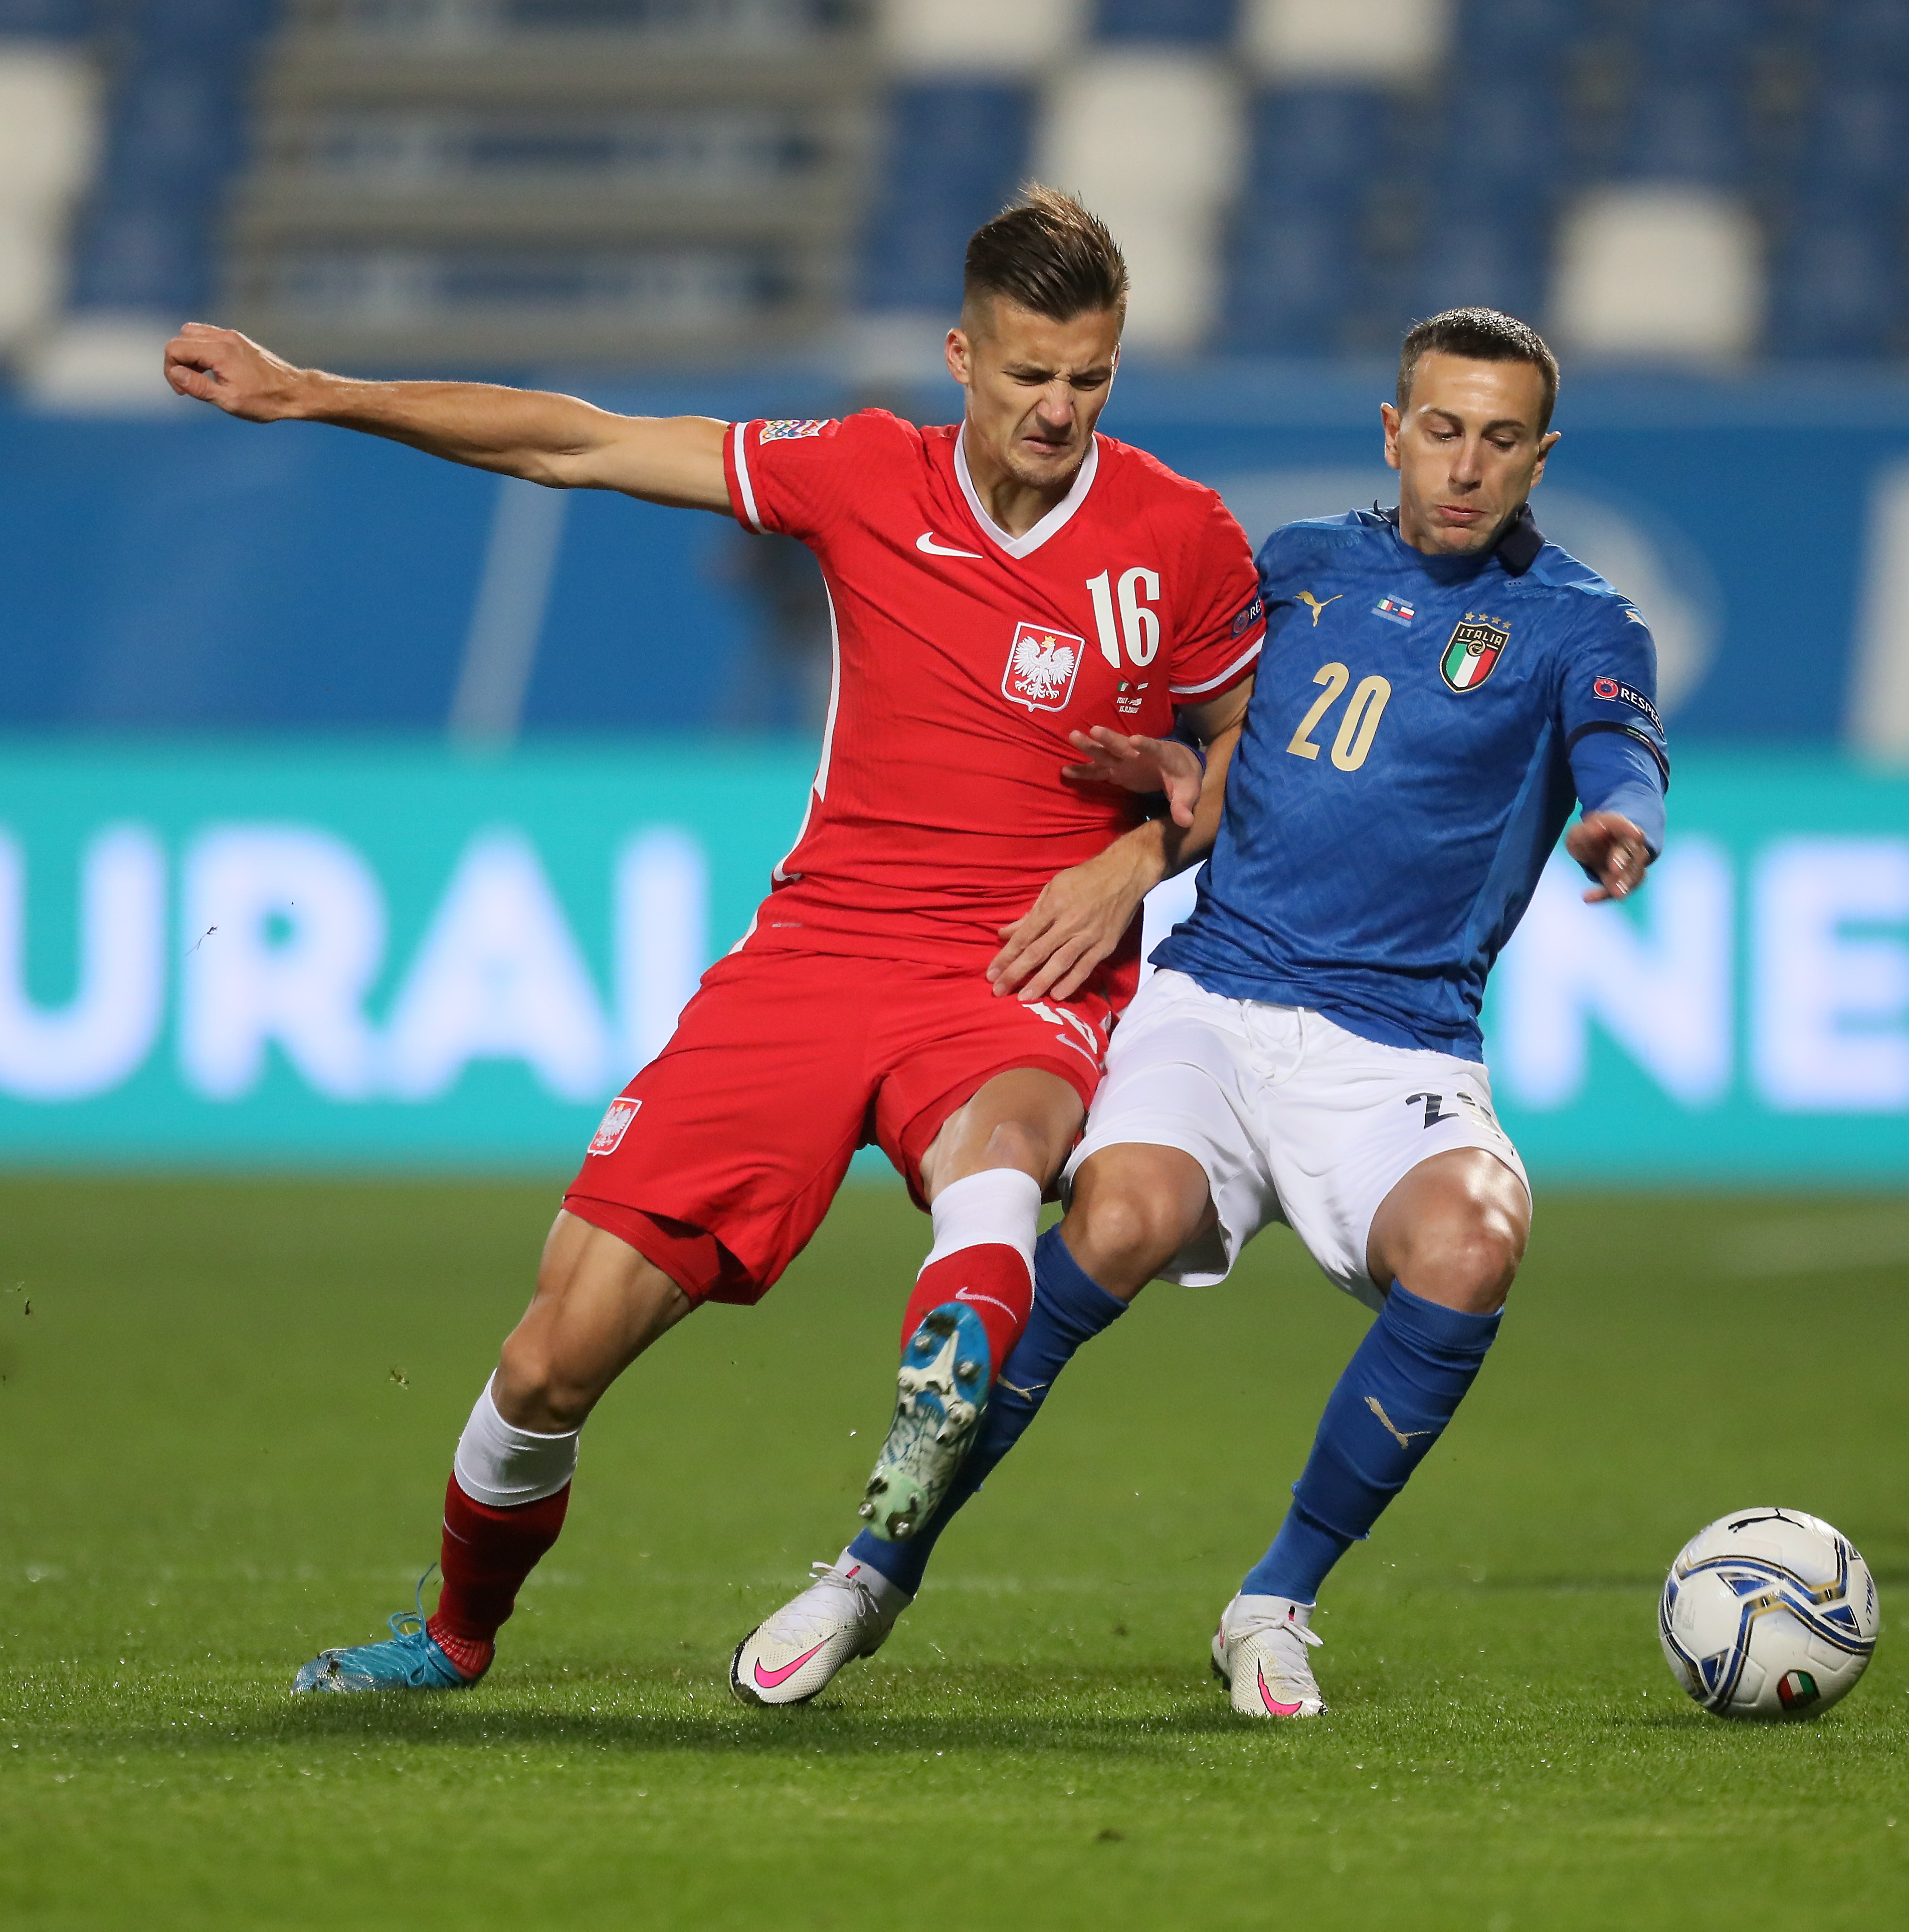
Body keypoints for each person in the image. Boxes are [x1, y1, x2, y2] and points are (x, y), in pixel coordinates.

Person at [162, 186, 1267, 1693]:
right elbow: (579, 441)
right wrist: (315, 392)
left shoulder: (1184, 539)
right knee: (553, 1357)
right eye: (1028, 375)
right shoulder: (861, 472)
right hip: (815, 956)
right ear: (962, 355)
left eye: (1088, 379)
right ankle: (454, 1635)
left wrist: (1142, 853)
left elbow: (1247, 753)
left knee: (1002, 1152)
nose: (1057, 410)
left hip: (1020, 964)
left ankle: (921, 1433)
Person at [732, 306, 1669, 1716]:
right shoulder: (1288, 571)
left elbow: (1620, 746)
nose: (1465, 466)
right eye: (1440, 429)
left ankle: (1273, 1602)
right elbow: (1192, 751)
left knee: (1472, 1244)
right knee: (1115, 1221)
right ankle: (871, 1567)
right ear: (1391, 431)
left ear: (1541, 455)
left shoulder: (1581, 621)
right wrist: (1148, 772)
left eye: (1498, 439)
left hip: (1400, 1043)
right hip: (1215, 1000)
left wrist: (1616, 821)